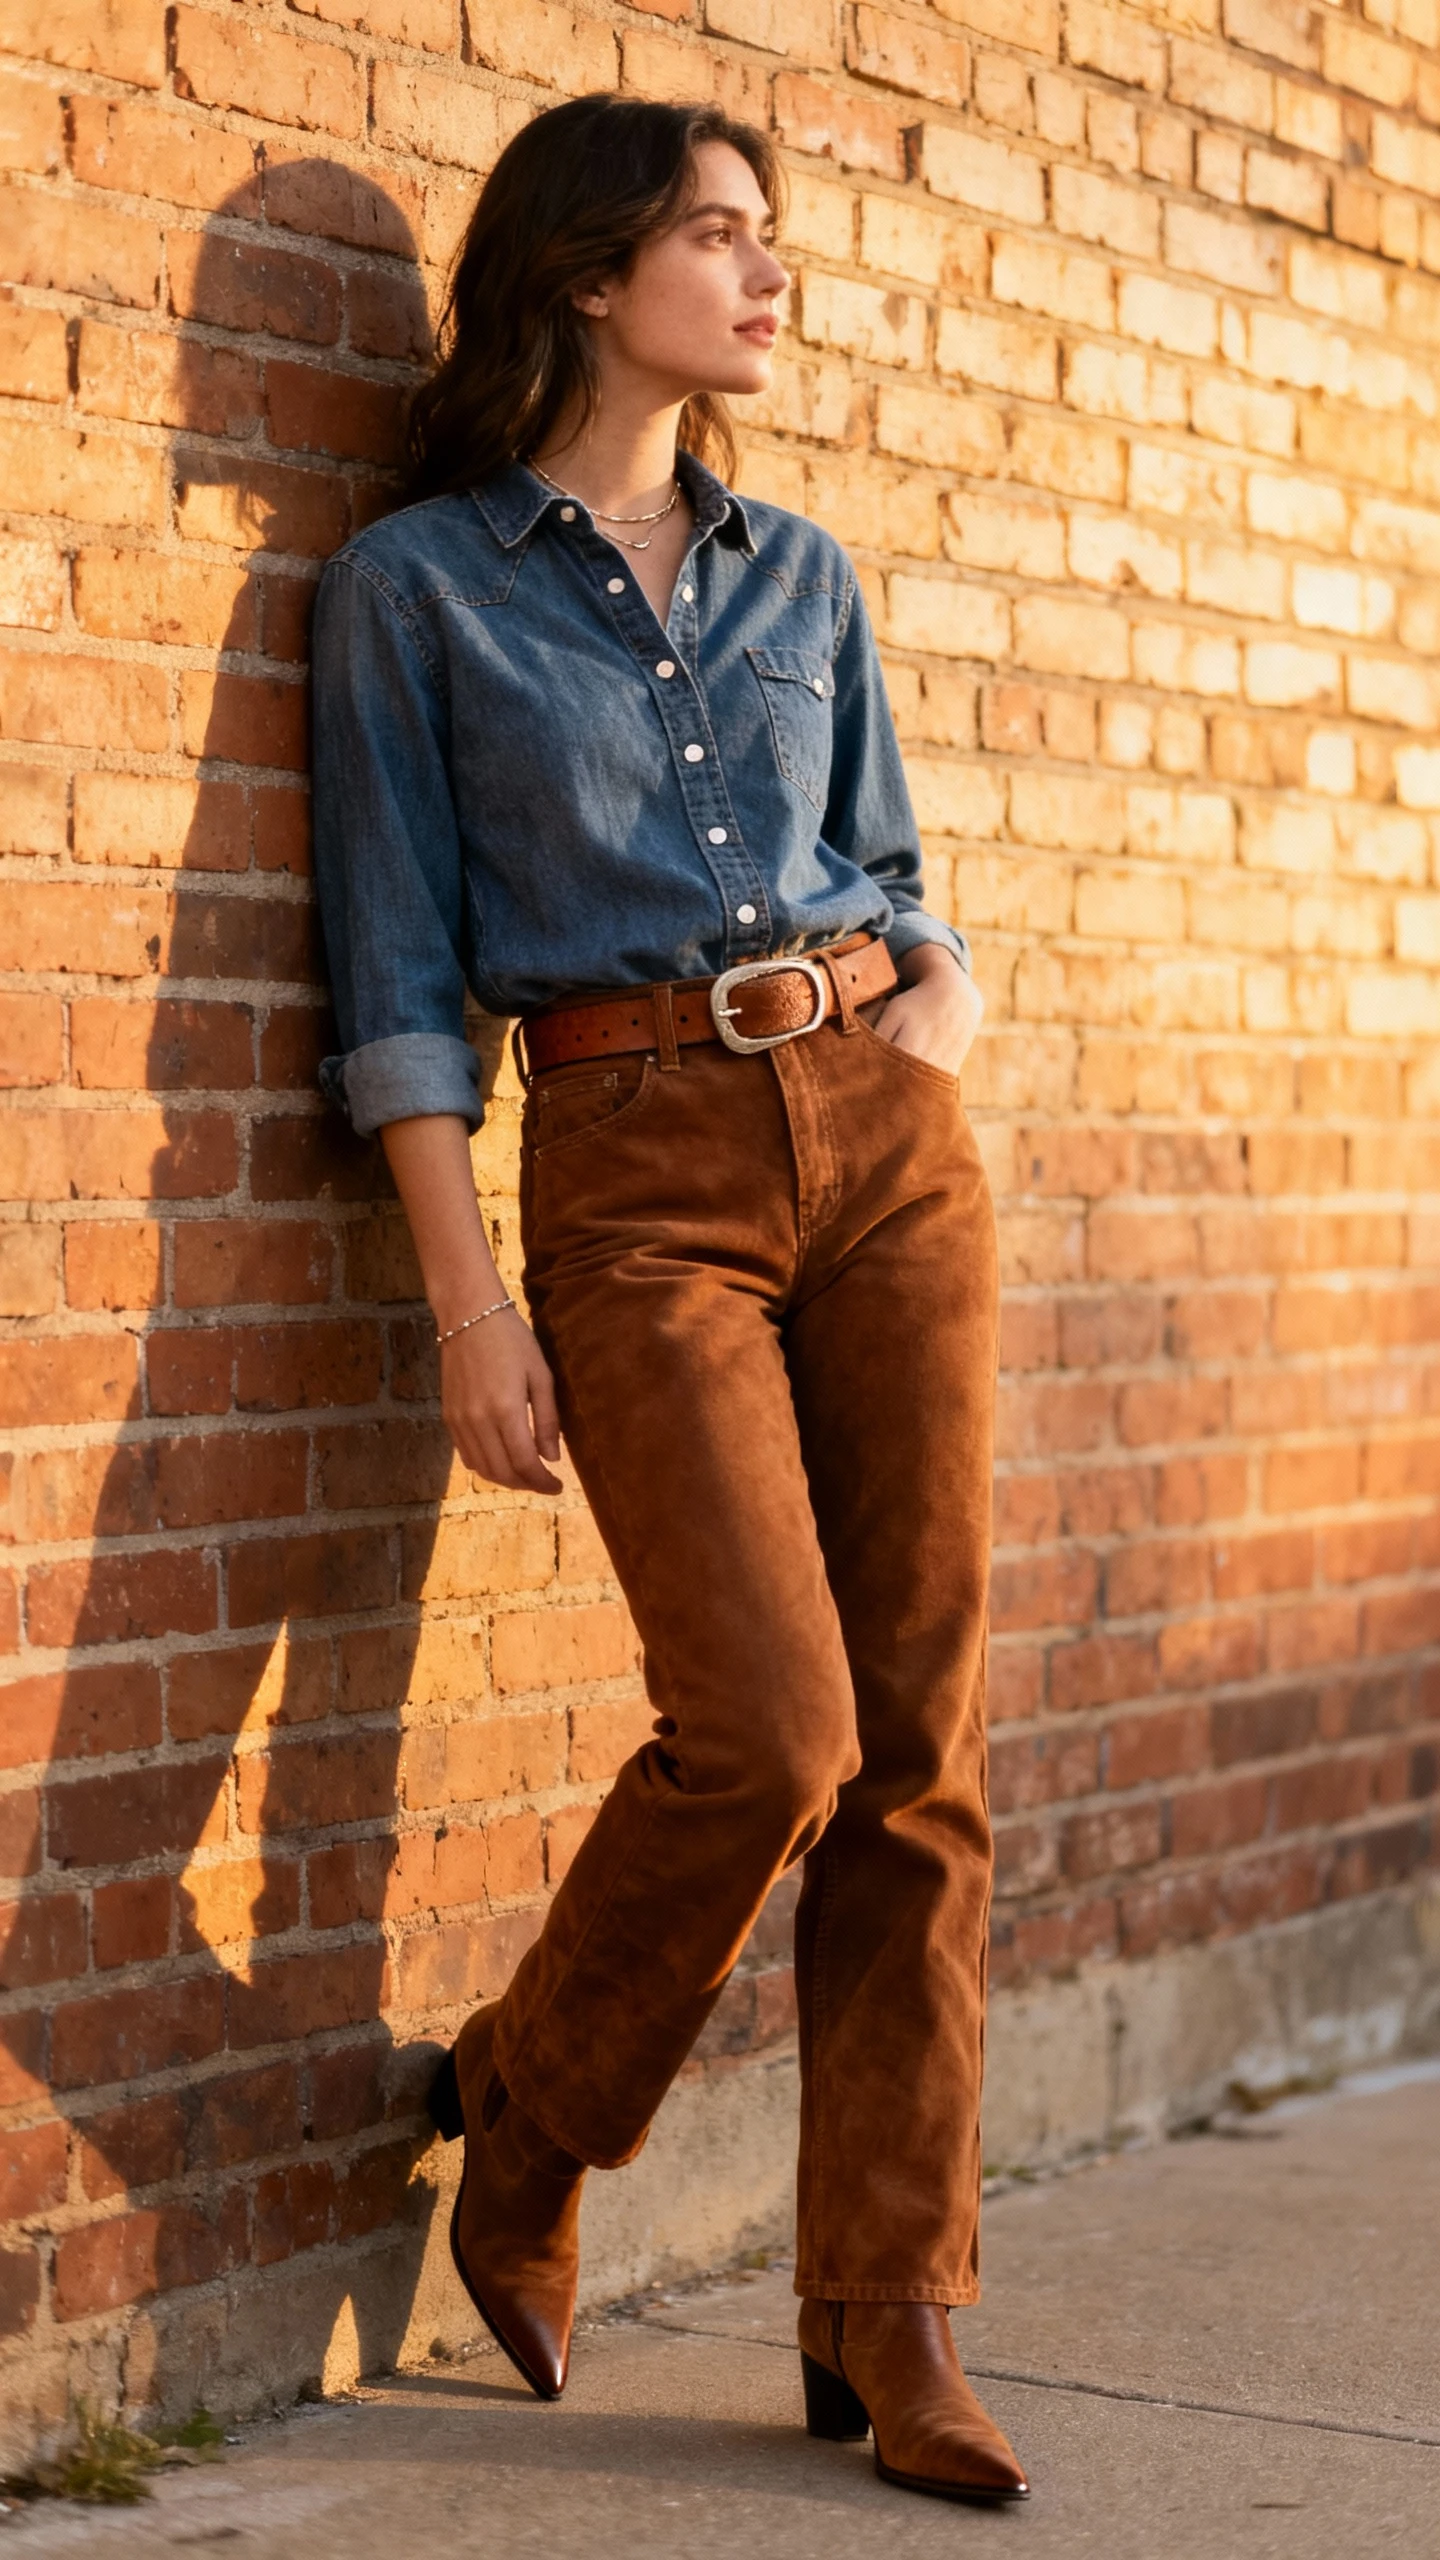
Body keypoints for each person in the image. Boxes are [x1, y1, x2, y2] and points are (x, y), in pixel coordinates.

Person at [309, 92, 1026, 2508]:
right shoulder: (415, 591)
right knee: (774, 1728)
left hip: (887, 1148)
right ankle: (531, 2112)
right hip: (630, 1171)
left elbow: (897, 868)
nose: (769, 272)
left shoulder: (799, 570)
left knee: (921, 1749)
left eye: (770, 233)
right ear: (591, 275)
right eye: (720, 234)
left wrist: (920, 1021)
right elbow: (400, 989)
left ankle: (892, 2309)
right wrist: (471, 1305)